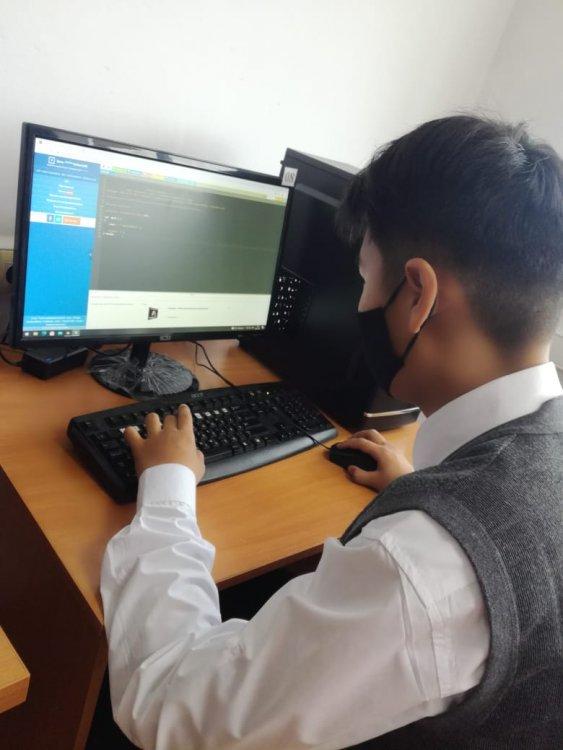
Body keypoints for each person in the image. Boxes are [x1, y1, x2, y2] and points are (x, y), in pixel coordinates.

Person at [101, 115, 563, 749]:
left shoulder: (423, 567)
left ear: (418, 295)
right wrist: (421, 488)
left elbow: (173, 713)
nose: (360, 303)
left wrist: (167, 488)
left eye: (367, 279)